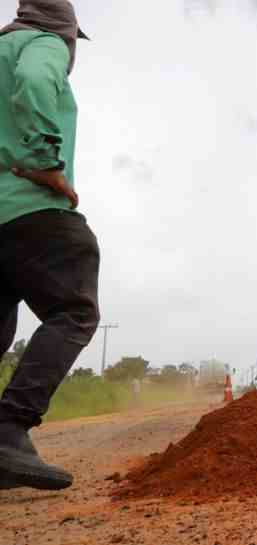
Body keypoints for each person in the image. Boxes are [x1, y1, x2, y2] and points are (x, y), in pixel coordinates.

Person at [0, 0, 95, 491]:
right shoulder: (43, 43)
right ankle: (10, 429)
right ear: (67, 30)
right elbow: (37, 83)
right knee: (74, 307)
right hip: (30, 208)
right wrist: (44, 163)